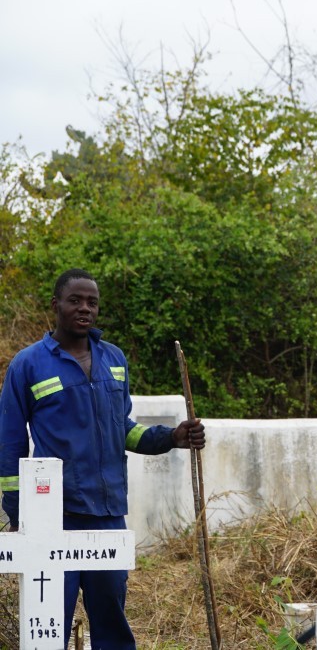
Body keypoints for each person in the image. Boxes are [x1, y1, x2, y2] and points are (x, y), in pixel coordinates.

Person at [0, 269, 205, 650]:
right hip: (51, 515)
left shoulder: (114, 359)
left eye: (92, 302)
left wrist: (171, 438)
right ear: (55, 305)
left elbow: (121, 429)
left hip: (107, 512)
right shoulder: (28, 365)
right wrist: (19, 512)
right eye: (75, 300)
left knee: (111, 617)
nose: (84, 308)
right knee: (48, 622)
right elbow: (10, 444)